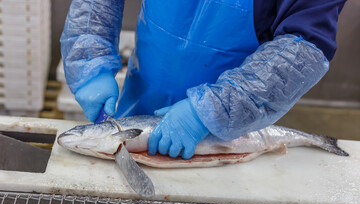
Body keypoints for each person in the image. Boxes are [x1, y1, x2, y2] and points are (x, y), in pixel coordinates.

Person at [61, 0, 346, 159]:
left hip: (230, 134)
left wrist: (213, 112)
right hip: (140, 104)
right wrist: (89, 53)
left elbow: (304, 46)